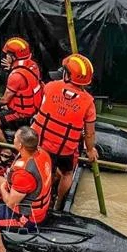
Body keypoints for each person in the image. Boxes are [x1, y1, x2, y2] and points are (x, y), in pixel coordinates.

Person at [0, 126, 52, 252]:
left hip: (27, 216)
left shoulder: (24, 173)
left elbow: (10, 203)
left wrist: (4, 189)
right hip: (34, 197)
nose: (13, 139)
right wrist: (2, 183)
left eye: (15, 138)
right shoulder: (42, 153)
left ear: (20, 145)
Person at [32, 53, 98, 209]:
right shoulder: (89, 103)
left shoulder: (50, 87)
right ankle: (58, 202)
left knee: (40, 170)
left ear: (67, 74)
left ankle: (38, 198)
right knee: (67, 174)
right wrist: (90, 150)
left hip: (41, 144)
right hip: (65, 150)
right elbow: (89, 133)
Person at [0, 37, 43, 142]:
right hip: (33, 110)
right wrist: (12, 67)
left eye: (8, 54)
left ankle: (6, 149)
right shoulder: (33, 66)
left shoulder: (15, 76)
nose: (6, 56)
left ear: (12, 56)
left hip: (20, 114)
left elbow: (5, 100)